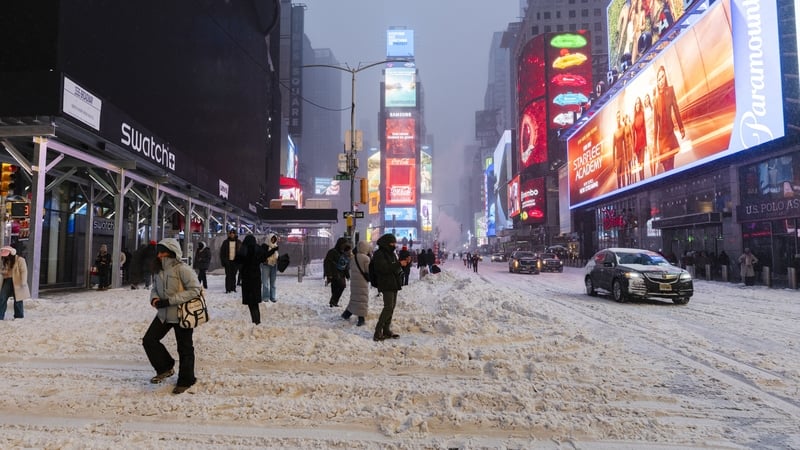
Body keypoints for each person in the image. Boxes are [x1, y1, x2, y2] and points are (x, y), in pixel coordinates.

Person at [142, 238, 202, 394]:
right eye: (159, 252)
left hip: (182, 314)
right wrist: (154, 299)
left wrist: (171, 301)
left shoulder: (183, 269)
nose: (160, 255)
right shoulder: (158, 269)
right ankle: (165, 367)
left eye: (163, 252)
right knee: (149, 340)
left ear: (172, 253)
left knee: (185, 348)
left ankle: (186, 379)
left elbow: (195, 289)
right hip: (163, 314)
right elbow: (154, 288)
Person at [372, 233, 410, 342]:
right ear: (386, 243)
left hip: (393, 283)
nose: (394, 245)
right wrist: (398, 264)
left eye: (395, 243)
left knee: (392, 307)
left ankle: (386, 330)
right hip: (386, 283)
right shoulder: (379, 254)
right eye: (392, 243)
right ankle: (378, 331)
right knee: (388, 307)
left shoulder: (392, 254)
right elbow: (383, 268)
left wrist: (404, 264)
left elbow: (394, 267)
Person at [653, 65, 685, 173]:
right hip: (661, 138)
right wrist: (654, 145)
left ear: (665, 77)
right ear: (656, 82)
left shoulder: (670, 91)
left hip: (670, 134)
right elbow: (655, 124)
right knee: (667, 168)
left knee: (671, 166)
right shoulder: (656, 100)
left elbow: (676, 109)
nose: (661, 81)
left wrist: (681, 128)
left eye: (662, 77)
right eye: (659, 79)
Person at [235, 234, 266, 324]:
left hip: (247, 278)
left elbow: (237, 260)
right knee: (255, 302)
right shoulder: (258, 249)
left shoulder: (243, 249)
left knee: (250, 302)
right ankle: (257, 320)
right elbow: (264, 257)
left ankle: (254, 320)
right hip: (256, 277)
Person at [343, 240, 372, 327]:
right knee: (362, 299)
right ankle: (361, 319)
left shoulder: (353, 258)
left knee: (355, 298)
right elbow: (368, 271)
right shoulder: (366, 258)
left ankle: (346, 314)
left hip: (354, 281)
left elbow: (350, 268)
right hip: (362, 282)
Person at [0, 246, 29, 320]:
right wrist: (3, 272)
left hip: (18, 281)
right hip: (7, 280)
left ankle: (19, 316)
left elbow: (24, 271)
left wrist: (23, 281)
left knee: (18, 299)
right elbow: (5, 271)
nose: (5, 257)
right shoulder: (5, 260)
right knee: (2, 297)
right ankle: (0, 315)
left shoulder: (20, 260)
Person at [323, 237, 351, 307]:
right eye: (344, 244)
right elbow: (327, 263)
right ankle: (333, 302)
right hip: (334, 273)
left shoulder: (344, 253)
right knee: (336, 287)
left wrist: (347, 275)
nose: (345, 245)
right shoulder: (332, 252)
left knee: (341, 286)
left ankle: (334, 301)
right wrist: (329, 274)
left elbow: (345, 264)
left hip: (341, 274)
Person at [260, 233, 280, 303]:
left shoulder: (275, 246)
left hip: (274, 265)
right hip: (266, 265)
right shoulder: (264, 246)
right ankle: (265, 297)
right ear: (269, 238)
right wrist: (273, 250)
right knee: (265, 283)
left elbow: (276, 256)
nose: (273, 240)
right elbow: (264, 255)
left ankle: (273, 297)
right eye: (272, 239)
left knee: (273, 283)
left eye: (274, 239)